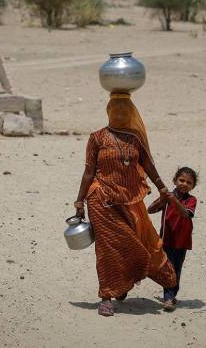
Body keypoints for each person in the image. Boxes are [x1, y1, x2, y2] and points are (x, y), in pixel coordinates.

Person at [73, 93, 177, 317]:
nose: (119, 113)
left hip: (131, 200)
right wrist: (79, 200)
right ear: (108, 111)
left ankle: (130, 284)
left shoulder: (135, 138)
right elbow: (89, 171)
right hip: (101, 199)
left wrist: (161, 187)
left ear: (130, 113)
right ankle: (106, 296)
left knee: (141, 242)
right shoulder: (97, 138)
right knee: (108, 248)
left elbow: (147, 163)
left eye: (124, 110)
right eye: (115, 109)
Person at [147, 167, 198, 312]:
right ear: (175, 180)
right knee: (167, 268)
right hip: (166, 238)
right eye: (181, 180)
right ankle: (169, 296)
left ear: (192, 186)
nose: (184, 184)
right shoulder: (167, 197)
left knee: (176, 268)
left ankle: (170, 296)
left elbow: (185, 214)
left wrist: (173, 200)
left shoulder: (191, 200)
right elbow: (150, 210)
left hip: (182, 241)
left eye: (189, 182)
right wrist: (163, 199)